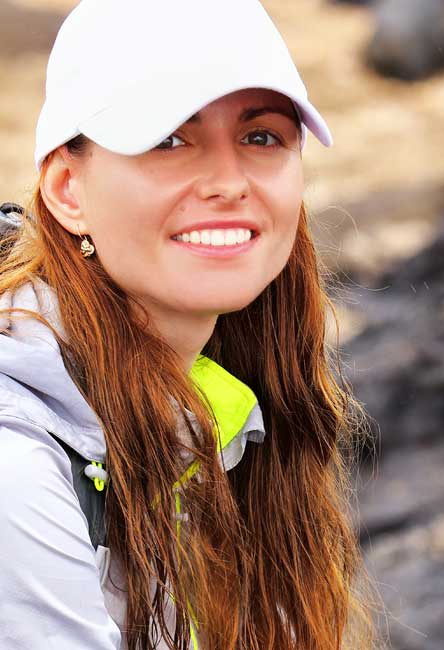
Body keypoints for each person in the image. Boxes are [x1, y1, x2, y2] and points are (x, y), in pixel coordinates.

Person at [0, 1, 379, 648]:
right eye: (168, 140)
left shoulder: (224, 411)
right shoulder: (19, 472)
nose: (228, 182)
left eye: (261, 137)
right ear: (67, 191)